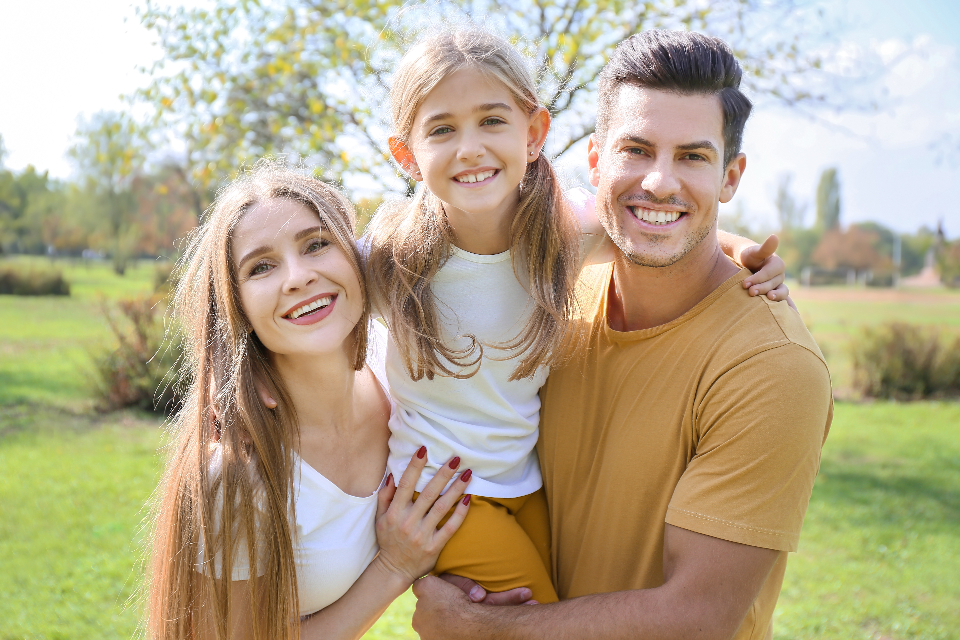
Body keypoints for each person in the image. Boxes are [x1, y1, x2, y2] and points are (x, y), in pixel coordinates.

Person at [410, 29, 834, 640]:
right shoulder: (555, 292)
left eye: (693, 156)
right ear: (593, 161)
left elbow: (698, 615)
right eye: (636, 149)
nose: (659, 182)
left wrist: (481, 628)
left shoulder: (771, 365)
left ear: (731, 177)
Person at [146, 164, 473, 640]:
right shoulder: (240, 472)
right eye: (261, 267)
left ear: (355, 254)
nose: (298, 277)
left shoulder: (398, 365)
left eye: (316, 244)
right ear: (237, 306)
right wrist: (394, 567)